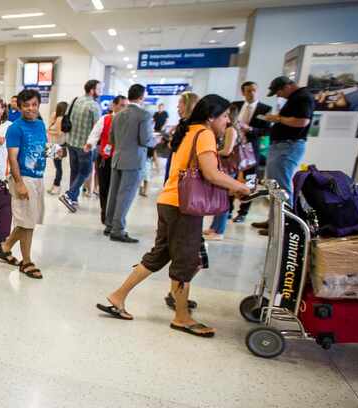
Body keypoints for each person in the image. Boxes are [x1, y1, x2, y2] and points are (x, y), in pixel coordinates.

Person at [96, 94, 250, 336]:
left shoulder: (189, 129)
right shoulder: (205, 134)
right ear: (211, 117)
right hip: (184, 207)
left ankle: (117, 296)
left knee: (159, 255)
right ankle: (182, 317)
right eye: (224, 116)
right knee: (186, 261)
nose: (227, 122)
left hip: (169, 201)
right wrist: (240, 186)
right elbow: (210, 173)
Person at [0, 89, 46, 279]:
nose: (30, 108)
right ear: (20, 107)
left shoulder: (40, 125)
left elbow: (41, 149)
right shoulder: (16, 128)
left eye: (34, 104)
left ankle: (5, 248)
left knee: (28, 220)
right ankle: (27, 261)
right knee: (27, 223)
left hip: (38, 178)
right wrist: (20, 183)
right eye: (26, 105)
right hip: (23, 178)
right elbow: (13, 159)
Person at [253, 76, 314, 235]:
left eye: (279, 92)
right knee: (275, 186)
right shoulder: (296, 98)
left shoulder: (302, 97)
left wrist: (278, 118)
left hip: (288, 146)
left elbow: (302, 121)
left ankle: (284, 226)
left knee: (282, 187)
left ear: (287, 86)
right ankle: (274, 221)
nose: (279, 96)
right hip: (282, 146)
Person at [103, 84, 159, 243]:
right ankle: (118, 230)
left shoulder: (118, 114)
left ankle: (109, 225)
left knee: (114, 194)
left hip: (117, 158)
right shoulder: (144, 115)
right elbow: (145, 139)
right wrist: (156, 140)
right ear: (141, 97)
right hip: (134, 160)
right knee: (125, 195)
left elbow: (112, 139)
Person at [232, 81, 272, 223]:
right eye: (248, 90)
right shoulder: (235, 106)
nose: (252, 93)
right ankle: (228, 209)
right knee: (230, 177)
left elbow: (267, 131)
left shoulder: (265, 109)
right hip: (233, 147)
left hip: (251, 149)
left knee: (249, 181)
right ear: (243, 92)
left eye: (254, 90)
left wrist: (251, 129)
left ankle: (243, 212)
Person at [59, 79, 102, 213]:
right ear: (92, 90)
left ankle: (74, 199)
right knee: (85, 171)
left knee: (75, 171)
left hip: (71, 142)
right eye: (99, 89)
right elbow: (97, 128)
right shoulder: (94, 106)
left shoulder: (75, 100)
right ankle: (70, 195)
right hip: (85, 146)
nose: (100, 91)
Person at [85, 95, 128, 223]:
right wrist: (89, 144)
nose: (124, 108)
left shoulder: (128, 121)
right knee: (104, 189)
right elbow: (95, 134)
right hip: (105, 159)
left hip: (122, 160)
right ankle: (105, 214)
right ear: (114, 106)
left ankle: (116, 216)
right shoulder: (105, 119)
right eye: (121, 105)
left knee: (119, 190)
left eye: (126, 106)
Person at [205, 103, 241, 241]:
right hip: (223, 167)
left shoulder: (231, 130)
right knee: (220, 198)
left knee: (224, 199)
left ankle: (219, 230)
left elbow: (227, 150)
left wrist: (211, 152)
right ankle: (214, 227)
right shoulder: (227, 129)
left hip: (227, 167)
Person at [164, 91, 199, 178]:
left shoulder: (187, 124)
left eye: (180, 102)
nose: (178, 106)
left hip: (179, 163)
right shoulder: (188, 122)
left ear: (188, 104)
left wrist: (170, 142)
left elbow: (174, 145)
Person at [46, 101, 68, 195]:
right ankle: (55, 185)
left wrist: (50, 131)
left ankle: (57, 186)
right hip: (54, 145)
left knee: (58, 167)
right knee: (56, 166)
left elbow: (59, 133)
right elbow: (49, 127)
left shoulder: (60, 119)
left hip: (58, 145)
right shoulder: (56, 117)